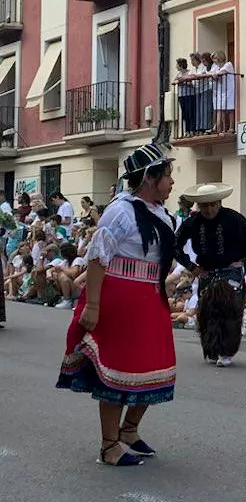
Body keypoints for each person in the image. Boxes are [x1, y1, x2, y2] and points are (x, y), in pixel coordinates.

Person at [55, 144, 178, 466]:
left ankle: (129, 431)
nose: (171, 183)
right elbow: (98, 258)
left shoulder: (160, 212)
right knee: (118, 370)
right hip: (120, 298)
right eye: (167, 176)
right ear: (150, 178)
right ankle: (109, 445)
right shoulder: (120, 211)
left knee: (156, 367)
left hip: (150, 298)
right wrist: (92, 306)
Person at [173, 183, 246, 367]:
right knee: (207, 313)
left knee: (229, 311)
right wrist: (192, 267)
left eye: (212, 204)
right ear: (198, 205)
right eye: (204, 205)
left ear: (219, 203)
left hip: (231, 269)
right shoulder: (193, 223)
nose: (208, 209)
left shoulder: (234, 219)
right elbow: (174, 245)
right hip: (207, 271)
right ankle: (212, 348)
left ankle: (226, 350)